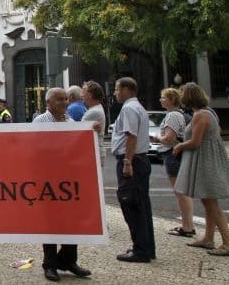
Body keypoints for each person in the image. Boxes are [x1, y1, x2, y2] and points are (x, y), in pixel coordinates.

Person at [32, 88, 92, 282]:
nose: (65, 102)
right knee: (50, 222)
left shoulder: (71, 121)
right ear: (48, 102)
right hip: (48, 179)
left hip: (69, 180)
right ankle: (50, 264)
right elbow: (33, 148)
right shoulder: (40, 121)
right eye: (59, 100)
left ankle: (68, 260)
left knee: (71, 220)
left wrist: (92, 131)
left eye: (66, 98)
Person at [174, 83, 229, 256]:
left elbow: (195, 141)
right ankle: (209, 238)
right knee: (208, 201)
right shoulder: (210, 112)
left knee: (211, 203)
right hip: (209, 159)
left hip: (205, 162)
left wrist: (179, 146)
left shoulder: (200, 115)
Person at [111, 77, 155, 263]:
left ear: (127, 89)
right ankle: (146, 247)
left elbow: (131, 136)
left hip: (132, 161)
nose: (115, 93)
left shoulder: (129, 108)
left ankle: (141, 250)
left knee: (131, 204)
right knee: (142, 205)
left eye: (117, 89)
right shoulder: (138, 107)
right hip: (140, 160)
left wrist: (127, 162)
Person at [152, 88, 193, 237]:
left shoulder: (172, 116)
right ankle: (188, 225)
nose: (161, 100)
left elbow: (169, 138)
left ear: (172, 100)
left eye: (163, 97)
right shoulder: (179, 114)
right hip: (176, 154)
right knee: (182, 191)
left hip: (172, 155)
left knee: (180, 191)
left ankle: (187, 226)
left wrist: (157, 137)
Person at [81, 81, 107, 167]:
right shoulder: (95, 108)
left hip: (93, 152)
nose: (81, 95)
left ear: (90, 95)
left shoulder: (93, 112)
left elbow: (80, 131)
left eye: (83, 91)